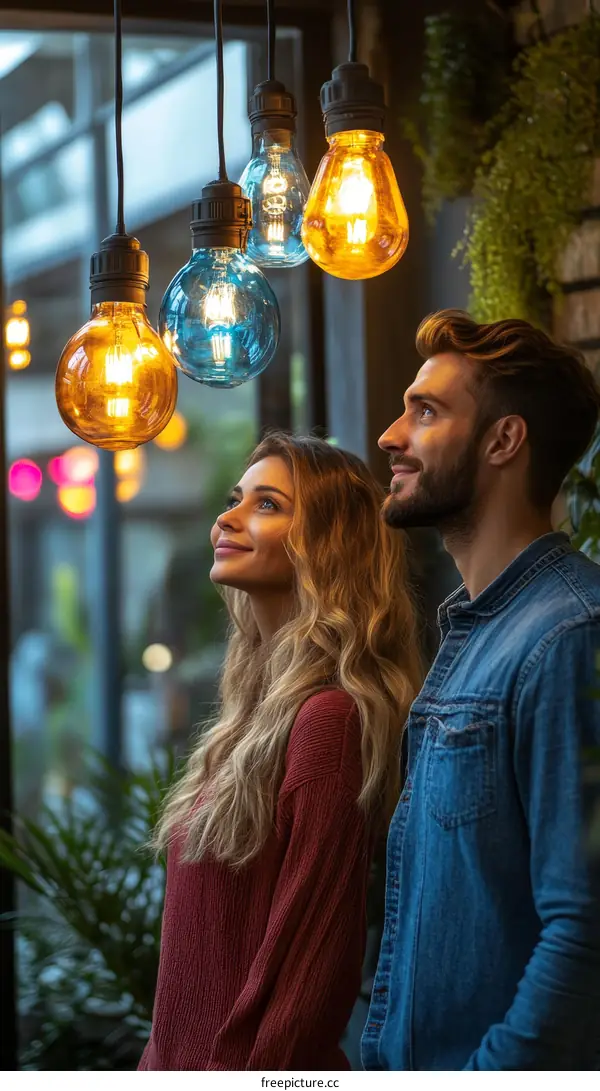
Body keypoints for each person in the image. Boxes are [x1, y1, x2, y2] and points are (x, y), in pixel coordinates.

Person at [362, 308, 600, 1072]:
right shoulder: (477, 633)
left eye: (425, 412)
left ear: (504, 440)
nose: (390, 437)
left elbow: (585, 926)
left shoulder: (570, 634)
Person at [140, 432, 422, 1071]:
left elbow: (309, 979)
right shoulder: (248, 715)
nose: (227, 517)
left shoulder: (329, 718)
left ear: (326, 546)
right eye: (237, 498)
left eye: (267, 505)